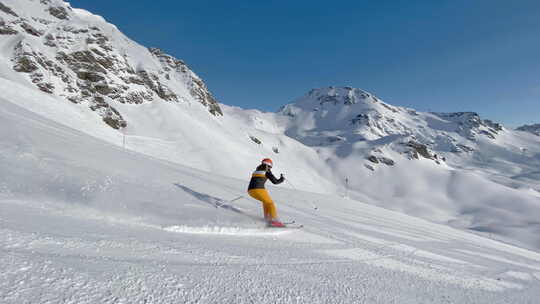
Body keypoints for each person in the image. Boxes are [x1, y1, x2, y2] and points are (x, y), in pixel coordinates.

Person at [247, 158, 285, 227]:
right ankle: (273, 220)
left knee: (266, 202)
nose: (270, 168)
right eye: (270, 166)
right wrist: (282, 179)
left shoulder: (257, 170)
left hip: (250, 191)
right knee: (270, 203)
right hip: (258, 189)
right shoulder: (267, 171)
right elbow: (275, 182)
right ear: (269, 165)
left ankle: (267, 218)